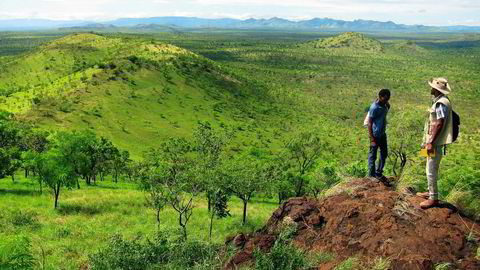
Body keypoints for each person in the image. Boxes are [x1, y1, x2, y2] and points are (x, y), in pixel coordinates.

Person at [418, 77, 454, 209]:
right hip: (434, 141)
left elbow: (439, 123)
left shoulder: (440, 103)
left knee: (431, 169)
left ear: (436, 89)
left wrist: (431, 142)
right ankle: (429, 191)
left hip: (435, 142)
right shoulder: (443, 101)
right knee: (429, 165)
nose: (431, 88)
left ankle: (433, 198)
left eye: (432, 87)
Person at [367, 89, 391, 184]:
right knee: (373, 155)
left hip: (382, 134)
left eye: (388, 99)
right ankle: (371, 175)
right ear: (380, 97)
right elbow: (369, 123)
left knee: (384, 154)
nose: (387, 100)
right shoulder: (374, 108)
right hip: (375, 135)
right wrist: (372, 138)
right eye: (385, 99)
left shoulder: (386, 105)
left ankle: (378, 172)